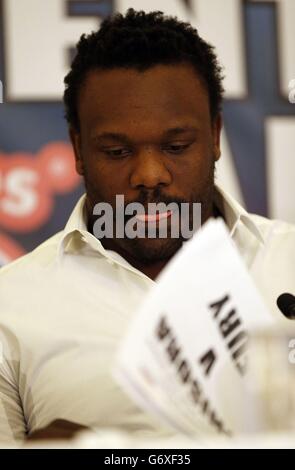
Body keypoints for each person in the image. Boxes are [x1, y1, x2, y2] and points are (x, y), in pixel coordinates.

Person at [0, 8, 294, 445]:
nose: (150, 173)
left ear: (214, 134)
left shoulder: (288, 262)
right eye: (117, 151)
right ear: (79, 148)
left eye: (176, 146)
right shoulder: (10, 306)